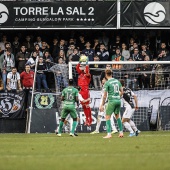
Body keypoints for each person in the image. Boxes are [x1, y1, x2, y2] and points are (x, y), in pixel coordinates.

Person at [99, 69, 123, 138]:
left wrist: (102, 105)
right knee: (117, 116)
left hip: (112, 101)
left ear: (106, 75)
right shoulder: (117, 81)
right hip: (118, 101)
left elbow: (105, 95)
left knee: (107, 117)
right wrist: (117, 96)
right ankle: (121, 132)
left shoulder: (107, 83)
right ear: (112, 74)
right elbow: (122, 91)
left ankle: (109, 134)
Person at [76, 56, 92, 126]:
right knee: (83, 106)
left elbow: (88, 71)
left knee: (87, 105)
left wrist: (87, 64)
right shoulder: (80, 74)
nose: (84, 69)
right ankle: (86, 119)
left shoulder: (88, 75)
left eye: (85, 68)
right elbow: (77, 68)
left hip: (85, 90)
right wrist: (79, 62)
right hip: (80, 91)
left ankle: (90, 119)